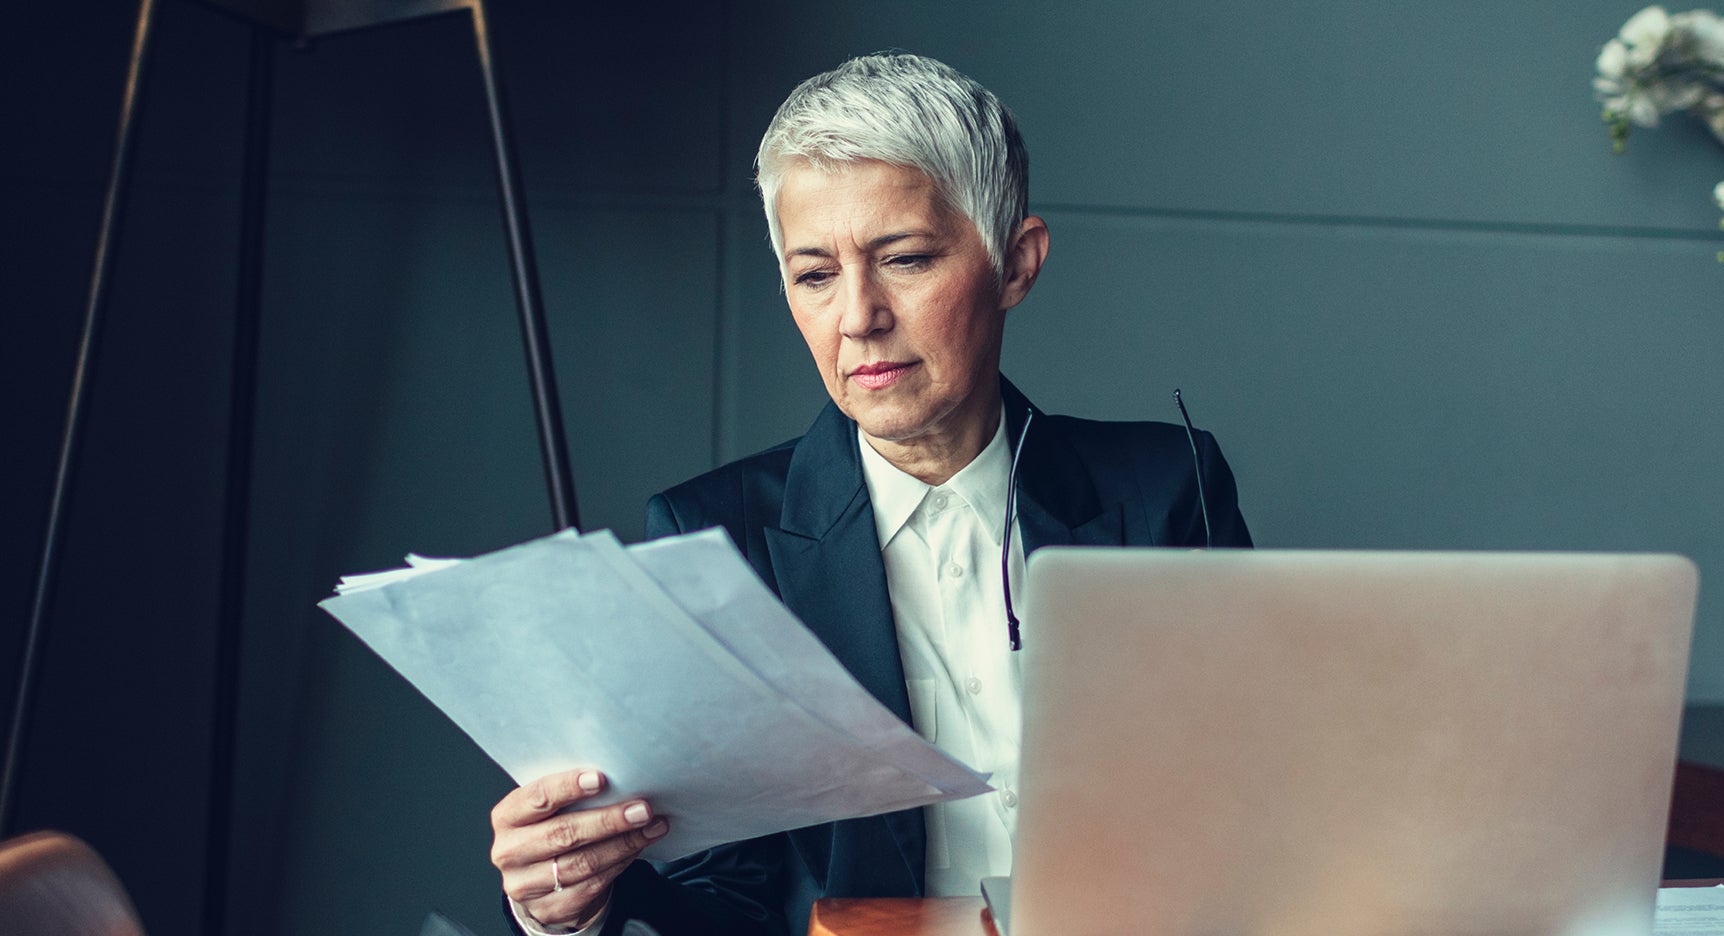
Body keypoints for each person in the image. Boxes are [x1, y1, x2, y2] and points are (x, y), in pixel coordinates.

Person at [486, 52, 1253, 936]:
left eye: (907, 258)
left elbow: (1249, 811)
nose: (858, 316)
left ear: (1016, 264)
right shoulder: (716, 536)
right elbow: (721, 898)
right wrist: (567, 911)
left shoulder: (1167, 491)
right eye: (816, 275)